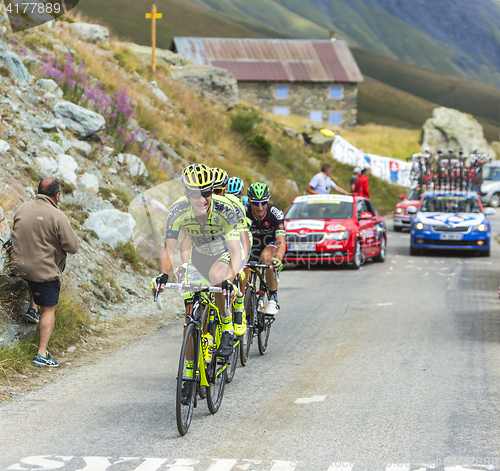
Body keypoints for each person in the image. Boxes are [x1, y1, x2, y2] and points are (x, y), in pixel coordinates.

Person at [152, 164, 242, 402]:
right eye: (195, 194)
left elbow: (236, 252)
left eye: (207, 193)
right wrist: (163, 275)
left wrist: (230, 281)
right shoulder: (178, 210)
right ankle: (190, 374)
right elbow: (169, 248)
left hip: (224, 253)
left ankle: (227, 327)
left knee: (217, 276)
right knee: (190, 315)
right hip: (198, 256)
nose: (202, 199)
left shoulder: (226, 210)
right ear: (186, 193)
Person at [10, 179, 79, 367]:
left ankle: (32, 310)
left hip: (18, 265)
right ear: (57, 196)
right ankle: (41, 354)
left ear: (38, 191)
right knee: (49, 309)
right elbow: (73, 247)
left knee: (35, 268)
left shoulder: (22, 208)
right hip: (42, 272)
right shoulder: (57, 215)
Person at [245, 182, 286, 315]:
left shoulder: (275, 213)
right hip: (253, 244)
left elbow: (281, 242)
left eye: (263, 203)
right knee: (245, 270)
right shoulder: (244, 212)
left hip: (270, 243)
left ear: (268, 201)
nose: (260, 207)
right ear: (250, 202)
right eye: (256, 203)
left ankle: (273, 298)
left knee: (267, 258)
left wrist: (278, 259)